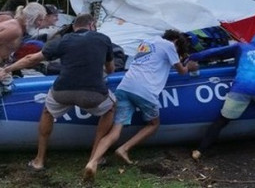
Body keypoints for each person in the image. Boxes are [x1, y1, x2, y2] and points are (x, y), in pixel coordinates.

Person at [0, 14, 115, 171]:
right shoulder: (104, 39)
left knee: (48, 112)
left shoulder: (63, 40)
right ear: (92, 25)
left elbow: (31, 59)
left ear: (74, 27)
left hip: (63, 90)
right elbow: (111, 69)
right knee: (110, 108)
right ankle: (96, 156)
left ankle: (39, 160)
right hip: (93, 93)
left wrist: (7, 69)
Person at [83, 30, 199, 181]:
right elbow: (182, 71)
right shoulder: (169, 45)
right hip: (145, 90)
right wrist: (190, 67)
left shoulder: (147, 42)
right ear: (176, 40)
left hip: (125, 86)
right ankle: (124, 149)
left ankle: (93, 162)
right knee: (153, 124)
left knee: (115, 130)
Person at [191, 32, 255, 161]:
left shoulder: (241, 46)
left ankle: (199, 150)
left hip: (239, 88)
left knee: (222, 120)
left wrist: (194, 56)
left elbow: (217, 52)